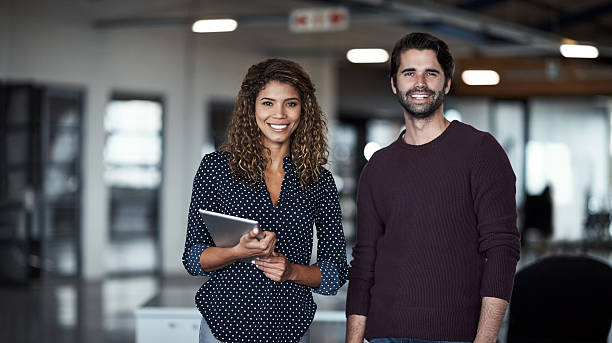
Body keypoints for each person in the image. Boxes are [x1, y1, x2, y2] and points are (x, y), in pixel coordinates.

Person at [345, 32, 521, 343]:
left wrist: (485, 339)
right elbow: (364, 262)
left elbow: (502, 250)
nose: (420, 82)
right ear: (394, 83)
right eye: (409, 72)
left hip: (455, 336)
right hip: (384, 335)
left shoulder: (481, 151)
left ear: (447, 83)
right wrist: (354, 339)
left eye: (431, 72)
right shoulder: (378, 167)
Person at [182, 58, 349, 343]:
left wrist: (293, 271)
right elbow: (193, 258)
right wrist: (237, 252)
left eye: (291, 104)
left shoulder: (319, 180)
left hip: (291, 327)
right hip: (224, 324)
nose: (280, 115)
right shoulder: (216, 168)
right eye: (268, 103)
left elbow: (335, 272)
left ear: (304, 109)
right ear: (252, 108)